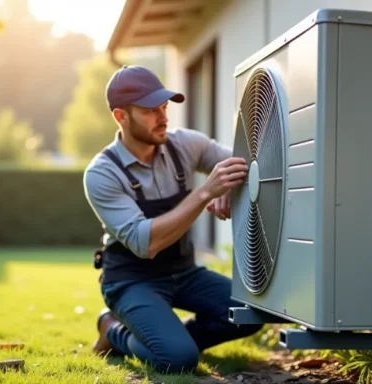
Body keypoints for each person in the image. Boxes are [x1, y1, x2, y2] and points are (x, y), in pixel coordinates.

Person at [82, 65, 263, 374]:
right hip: (131, 281)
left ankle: (168, 338)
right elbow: (145, 243)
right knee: (177, 360)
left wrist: (231, 186)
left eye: (164, 107)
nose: (163, 117)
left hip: (184, 273)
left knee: (250, 313)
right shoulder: (102, 174)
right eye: (151, 110)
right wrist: (207, 191)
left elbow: (248, 162)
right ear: (121, 117)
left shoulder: (185, 144)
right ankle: (113, 330)